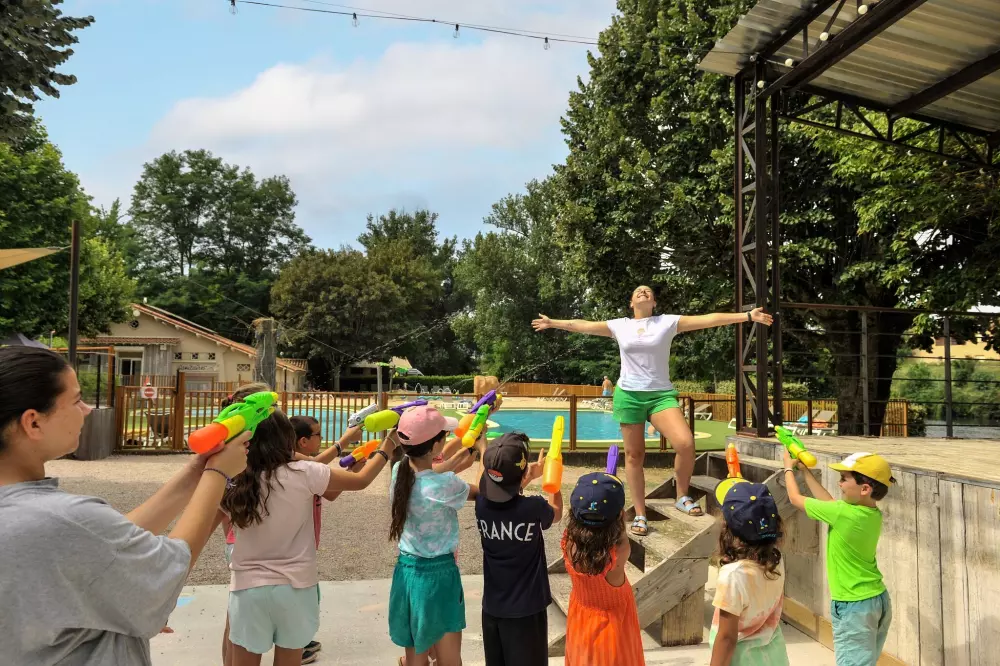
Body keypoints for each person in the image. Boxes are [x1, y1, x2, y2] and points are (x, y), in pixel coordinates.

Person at [0, 346, 249, 665]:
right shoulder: (64, 519)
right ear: (33, 423)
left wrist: (195, 472)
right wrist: (217, 474)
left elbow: (106, 547)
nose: (87, 409)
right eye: (76, 400)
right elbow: (163, 577)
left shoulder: (43, 519)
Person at [532, 285, 773, 535]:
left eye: (648, 291)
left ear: (654, 302)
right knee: (635, 456)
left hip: (661, 396)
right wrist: (553, 323)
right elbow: (581, 324)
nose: (643, 292)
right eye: (638, 291)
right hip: (628, 396)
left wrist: (746, 316)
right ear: (631, 302)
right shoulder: (619, 325)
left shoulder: (666, 322)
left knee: (685, 442)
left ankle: (681, 495)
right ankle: (640, 513)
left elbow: (708, 320)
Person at [222, 384, 398, 666]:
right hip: (296, 588)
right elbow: (362, 480)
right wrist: (387, 446)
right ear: (286, 438)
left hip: (247, 588)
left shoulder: (231, 479)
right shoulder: (305, 472)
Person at [388, 405, 483, 666]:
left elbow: (430, 473)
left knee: (416, 653)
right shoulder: (445, 485)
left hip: (407, 573)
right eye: (444, 437)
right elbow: (484, 490)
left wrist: (460, 457)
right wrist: (483, 449)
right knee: (450, 660)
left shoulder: (400, 472)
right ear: (435, 446)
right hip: (439, 578)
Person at [782, 450, 895, 666]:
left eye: (844, 479)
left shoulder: (843, 513)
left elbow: (795, 499)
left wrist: (788, 468)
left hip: (853, 605)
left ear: (864, 488)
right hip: (877, 600)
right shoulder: (871, 513)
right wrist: (805, 473)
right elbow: (831, 502)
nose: (840, 482)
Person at [475, 432, 563, 666]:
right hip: (526, 612)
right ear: (523, 474)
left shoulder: (481, 505)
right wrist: (553, 476)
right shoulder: (533, 508)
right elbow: (556, 512)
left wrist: (525, 476)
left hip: (492, 609)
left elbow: (493, 484)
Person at [561, 472, 644, 666]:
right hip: (613, 630)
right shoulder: (619, 553)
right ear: (620, 516)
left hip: (580, 623)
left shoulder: (568, 543)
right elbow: (621, 532)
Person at [710, 483, 788, 666]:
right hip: (773, 655)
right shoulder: (775, 559)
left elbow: (727, 638)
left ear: (726, 526)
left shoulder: (732, 576)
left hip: (741, 659)